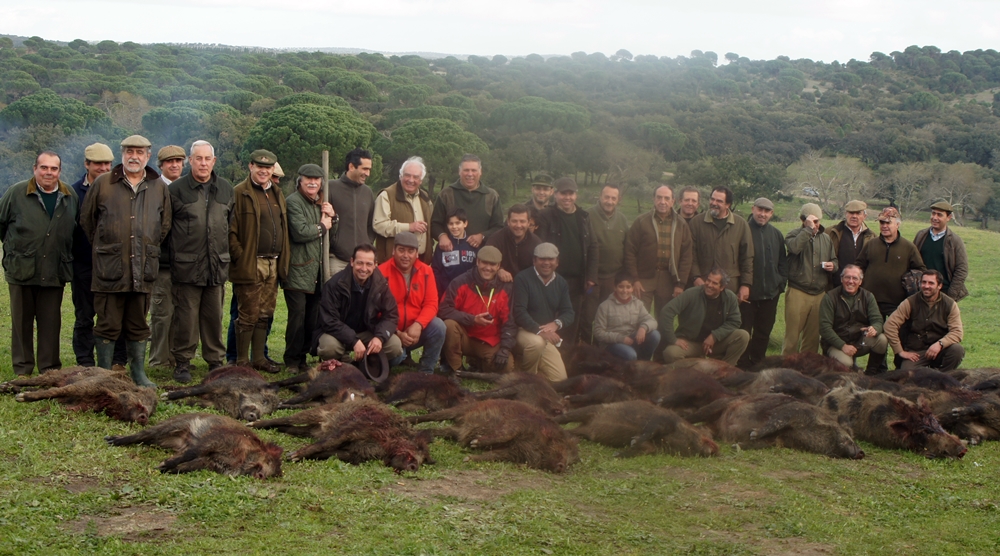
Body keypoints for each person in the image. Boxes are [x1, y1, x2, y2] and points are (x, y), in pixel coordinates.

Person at [79, 135, 171, 387]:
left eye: (140, 152)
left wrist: (145, 246)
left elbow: (163, 226)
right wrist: (107, 247)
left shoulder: (158, 187)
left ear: (148, 156)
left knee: (138, 323)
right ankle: (104, 375)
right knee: (107, 323)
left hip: (143, 267)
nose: (134, 156)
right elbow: (88, 221)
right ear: (122, 154)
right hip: (110, 268)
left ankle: (138, 373)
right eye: (130, 151)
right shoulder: (103, 183)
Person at [0, 152, 78, 375]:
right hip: (21, 270)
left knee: (51, 324)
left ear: (59, 171)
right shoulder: (17, 193)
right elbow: (2, 224)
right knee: (21, 323)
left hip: (55, 269)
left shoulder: (69, 195)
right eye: (44, 167)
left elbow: (74, 229)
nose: (48, 173)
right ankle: (23, 370)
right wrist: (17, 250)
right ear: (35, 168)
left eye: (53, 169)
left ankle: (49, 370)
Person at [165, 141, 233, 383]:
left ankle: (215, 362)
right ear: (190, 161)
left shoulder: (226, 189)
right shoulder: (176, 190)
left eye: (207, 159)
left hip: (216, 265)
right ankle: (182, 362)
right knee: (186, 318)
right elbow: (165, 228)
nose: (203, 163)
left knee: (214, 317)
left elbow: (230, 228)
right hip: (186, 266)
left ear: (214, 161)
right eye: (198, 158)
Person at [228, 149, 289, 373]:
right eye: (259, 166)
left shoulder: (276, 193)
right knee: (247, 314)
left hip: (273, 262)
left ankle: (259, 359)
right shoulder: (239, 193)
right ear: (250, 166)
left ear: (273, 169)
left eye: (268, 167)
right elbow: (230, 230)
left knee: (266, 312)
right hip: (251, 261)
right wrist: (241, 256)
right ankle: (242, 362)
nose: (264, 171)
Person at [70, 142, 126, 368]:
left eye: (107, 163)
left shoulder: (121, 188)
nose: (103, 167)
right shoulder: (74, 192)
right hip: (84, 264)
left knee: (115, 315)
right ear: (87, 164)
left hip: (114, 265)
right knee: (84, 316)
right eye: (98, 163)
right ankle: (84, 361)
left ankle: (118, 360)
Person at [281, 163, 335, 373]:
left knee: (311, 317)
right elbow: (301, 232)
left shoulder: (319, 203)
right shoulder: (293, 202)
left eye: (317, 179)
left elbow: (329, 230)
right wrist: (323, 226)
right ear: (300, 181)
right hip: (298, 270)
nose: (312, 182)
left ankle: (303, 357)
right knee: (297, 318)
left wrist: (332, 215)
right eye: (308, 179)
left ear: (321, 182)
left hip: (316, 273)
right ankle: (292, 360)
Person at [534, 177, 598, 348]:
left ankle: (566, 360)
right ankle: (547, 358)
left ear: (576, 195)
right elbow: (539, 246)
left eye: (570, 194)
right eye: (563, 193)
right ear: (556, 194)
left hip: (577, 280)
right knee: (549, 320)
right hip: (553, 280)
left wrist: (591, 276)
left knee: (571, 322)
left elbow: (593, 246)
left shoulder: (583, 217)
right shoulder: (546, 215)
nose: (567, 197)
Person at [316, 244, 403, 363]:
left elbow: (391, 315)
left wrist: (379, 337)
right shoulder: (334, 284)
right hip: (338, 334)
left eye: (369, 264)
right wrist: (353, 340)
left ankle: (365, 363)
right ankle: (339, 360)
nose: (364, 268)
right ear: (352, 262)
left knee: (395, 345)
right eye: (360, 263)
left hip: (367, 332)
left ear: (375, 265)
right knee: (329, 348)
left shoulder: (381, 284)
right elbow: (329, 320)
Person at [438, 246, 516, 374]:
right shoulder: (461, 281)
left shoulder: (506, 287)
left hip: (489, 341)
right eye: (484, 262)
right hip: (465, 337)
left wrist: (505, 349)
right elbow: (444, 309)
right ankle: (457, 370)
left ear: (498, 266)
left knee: (506, 367)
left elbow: (510, 322)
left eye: (492, 264)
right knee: (449, 325)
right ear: (478, 262)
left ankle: (478, 363)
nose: (488, 268)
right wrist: (472, 320)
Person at [379, 232, 445, 373]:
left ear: (417, 253)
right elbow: (376, 311)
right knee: (397, 358)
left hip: (415, 331)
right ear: (393, 251)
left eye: (410, 251)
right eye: (401, 250)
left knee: (439, 326)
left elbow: (432, 303)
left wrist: (419, 325)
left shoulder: (426, 271)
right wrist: (396, 332)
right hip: (391, 333)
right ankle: (399, 357)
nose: (406, 255)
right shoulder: (381, 272)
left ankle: (426, 371)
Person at [623, 184, 693, 314]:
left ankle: (660, 336)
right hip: (644, 278)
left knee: (664, 317)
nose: (663, 202)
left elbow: (686, 256)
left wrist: (680, 283)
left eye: (667, 198)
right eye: (659, 197)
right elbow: (630, 251)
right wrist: (635, 279)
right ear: (653, 199)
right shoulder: (641, 221)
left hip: (668, 278)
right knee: (639, 316)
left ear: (673, 201)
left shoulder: (681, 224)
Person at [659, 268, 749, 366]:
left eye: (714, 283)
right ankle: (698, 369)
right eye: (708, 280)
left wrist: (714, 336)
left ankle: (724, 370)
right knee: (671, 354)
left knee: (743, 336)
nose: (709, 285)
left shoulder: (730, 297)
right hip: (691, 343)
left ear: (722, 287)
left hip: (715, 343)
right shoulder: (691, 293)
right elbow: (667, 311)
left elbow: (735, 321)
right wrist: (673, 339)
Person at [511, 243, 574, 381]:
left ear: (557, 262)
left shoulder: (561, 283)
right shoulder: (522, 278)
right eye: (542, 259)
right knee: (536, 343)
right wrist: (540, 331)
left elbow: (569, 312)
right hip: (523, 330)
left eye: (551, 259)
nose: (546, 263)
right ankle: (526, 379)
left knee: (560, 379)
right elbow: (519, 311)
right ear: (534, 260)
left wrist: (556, 324)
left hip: (546, 334)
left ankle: (530, 366)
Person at [737, 198, 788, 368]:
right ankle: (742, 365)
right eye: (760, 210)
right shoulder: (742, 230)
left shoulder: (776, 234)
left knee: (763, 332)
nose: (763, 214)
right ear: (753, 209)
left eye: (767, 211)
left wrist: (780, 283)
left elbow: (782, 261)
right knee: (744, 331)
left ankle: (757, 364)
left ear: (771, 213)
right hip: (747, 294)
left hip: (770, 295)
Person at [149, 144, 187, 370]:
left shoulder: (186, 188)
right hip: (162, 263)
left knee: (181, 315)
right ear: (161, 165)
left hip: (184, 263)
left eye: (178, 161)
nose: (174, 165)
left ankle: (175, 357)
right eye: (169, 162)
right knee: (162, 314)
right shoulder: (154, 188)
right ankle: (158, 360)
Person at [783, 203, 837, 355]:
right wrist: (807, 230)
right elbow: (794, 248)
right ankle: (786, 370)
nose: (816, 224)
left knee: (812, 339)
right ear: (803, 220)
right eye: (812, 221)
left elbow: (835, 260)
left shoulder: (826, 238)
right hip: (797, 291)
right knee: (792, 337)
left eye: (817, 221)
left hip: (819, 293)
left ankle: (807, 372)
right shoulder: (793, 235)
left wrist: (833, 266)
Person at [884, 270, 964, 371]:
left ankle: (943, 377)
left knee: (957, 350)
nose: (926, 286)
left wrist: (940, 344)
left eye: (931, 283)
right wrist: (900, 351)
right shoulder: (910, 302)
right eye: (924, 282)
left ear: (939, 286)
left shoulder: (950, 304)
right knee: (907, 372)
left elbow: (957, 332)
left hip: (939, 350)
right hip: (917, 351)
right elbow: (890, 325)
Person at [819, 264, 887, 373]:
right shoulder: (830, 297)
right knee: (846, 363)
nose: (851, 281)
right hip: (836, 343)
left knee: (882, 340)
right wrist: (842, 346)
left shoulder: (868, 296)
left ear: (860, 281)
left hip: (859, 341)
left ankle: (871, 373)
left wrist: (875, 329)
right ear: (841, 279)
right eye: (847, 277)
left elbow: (878, 320)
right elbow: (824, 328)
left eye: (855, 278)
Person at [688, 185, 753, 298]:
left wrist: (745, 284)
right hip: (703, 284)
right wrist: (695, 277)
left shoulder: (741, 225)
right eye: (712, 199)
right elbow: (690, 254)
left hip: (730, 286)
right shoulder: (696, 223)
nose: (714, 203)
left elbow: (747, 257)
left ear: (728, 205)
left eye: (719, 201)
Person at [431, 154, 504, 252]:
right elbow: (435, 224)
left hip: (481, 256)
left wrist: (482, 236)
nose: (470, 174)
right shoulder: (446, 194)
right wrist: (442, 236)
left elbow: (499, 227)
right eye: (466, 170)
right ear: (459, 171)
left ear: (480, 172)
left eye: (474, 170)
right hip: (452, 255)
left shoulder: (492, 196)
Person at [585, 184, 629, 336]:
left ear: (618, 200)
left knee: (606, 319)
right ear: (600, 196)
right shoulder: (587, 216)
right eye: (606, 197)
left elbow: (626, 247)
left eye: (613, 198)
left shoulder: (622, 219)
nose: (609, 201)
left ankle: (601, 352)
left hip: (612, 277)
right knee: (587, 316)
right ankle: (583, 350)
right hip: (592, 278)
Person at [374, 156, 432, 265]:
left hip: (421, 262)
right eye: (407, 175)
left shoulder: (425, 197)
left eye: (415, 177)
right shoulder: (386, 195)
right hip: (393, 264)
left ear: (421, 180)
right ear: (400, 176)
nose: (411, 180)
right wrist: (409, 227)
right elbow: (379, 225)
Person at [593, 271, 661, 361]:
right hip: (612, 344)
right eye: (621, 287)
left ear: (632, 288)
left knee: (655, 335)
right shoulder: (605, 306)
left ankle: (643, 363)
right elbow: (598, 332)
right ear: (615, 287)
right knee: (631, 355)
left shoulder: (637, 304)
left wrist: (643, 328)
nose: (625, 291)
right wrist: (621, 338)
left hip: (631, 339)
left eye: (628, 287)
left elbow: (652, 321)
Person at [327, 147, 373, 275]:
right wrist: (335, 244)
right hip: (337, 261)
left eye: (369, 169)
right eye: (365, 169)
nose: (368, 174)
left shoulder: (368, 192)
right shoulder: (330, 188)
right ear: (351, 166)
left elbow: (370, 224)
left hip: (362, 263)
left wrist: (367, 243)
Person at [913, 201, 968, 302]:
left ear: (948, 218)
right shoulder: (921, 236)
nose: (935, 218)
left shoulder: (955, 241)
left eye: (939, 215)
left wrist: (951, 296)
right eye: (933, 213)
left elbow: (962, 269)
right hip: (922, 292)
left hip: (944, 293)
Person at [484, 203, 542, 283]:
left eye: (522, 221)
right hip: (499, 284)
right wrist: (499, 270)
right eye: (514, 221)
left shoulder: (536, 243)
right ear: (508, 221)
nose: (518, 225)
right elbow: (485, 261)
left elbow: (540, 268)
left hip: (526, 284)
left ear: (528, 223)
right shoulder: (496, 239)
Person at [826, 200, 873, 289]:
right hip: (835, 287)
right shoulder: (831, 233)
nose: (854, 216)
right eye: (851, 213)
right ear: (845, 214)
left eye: (858, 213)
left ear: (864, 216)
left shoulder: (872, 237)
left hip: (861, 289)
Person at [431, 208, 477, 296]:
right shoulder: (443, 245)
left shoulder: (473, 245)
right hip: (447, 292)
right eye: (451, 224)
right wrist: (439, 292)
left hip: (469, 293)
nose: (454, 227)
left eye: (458, 223)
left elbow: (477, 270)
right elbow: (435, 270)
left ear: (465, 223)